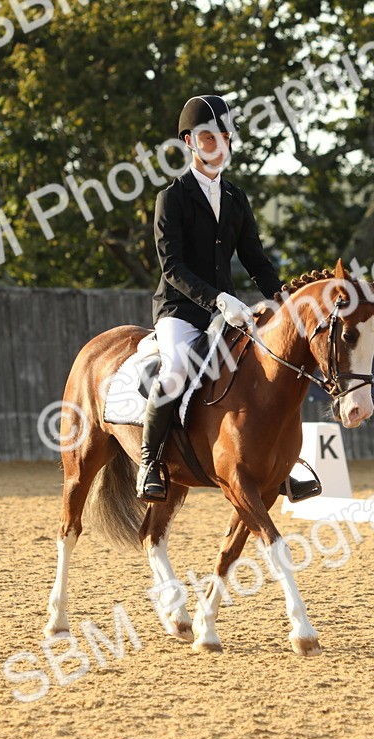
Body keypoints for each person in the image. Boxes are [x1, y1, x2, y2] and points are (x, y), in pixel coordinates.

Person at [136, 94, 285, 502]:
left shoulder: (236, 198)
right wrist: (219, 299)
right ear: (189, 142)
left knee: (267, 370)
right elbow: (173, 268)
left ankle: (280, 464)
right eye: (207, 138)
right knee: (177, 370)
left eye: (224, 136)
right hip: (180, 311)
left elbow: (256, 260)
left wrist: (284, 300)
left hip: (227, 312)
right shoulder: (173, 198)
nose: (218, 145)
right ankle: (150, 461)